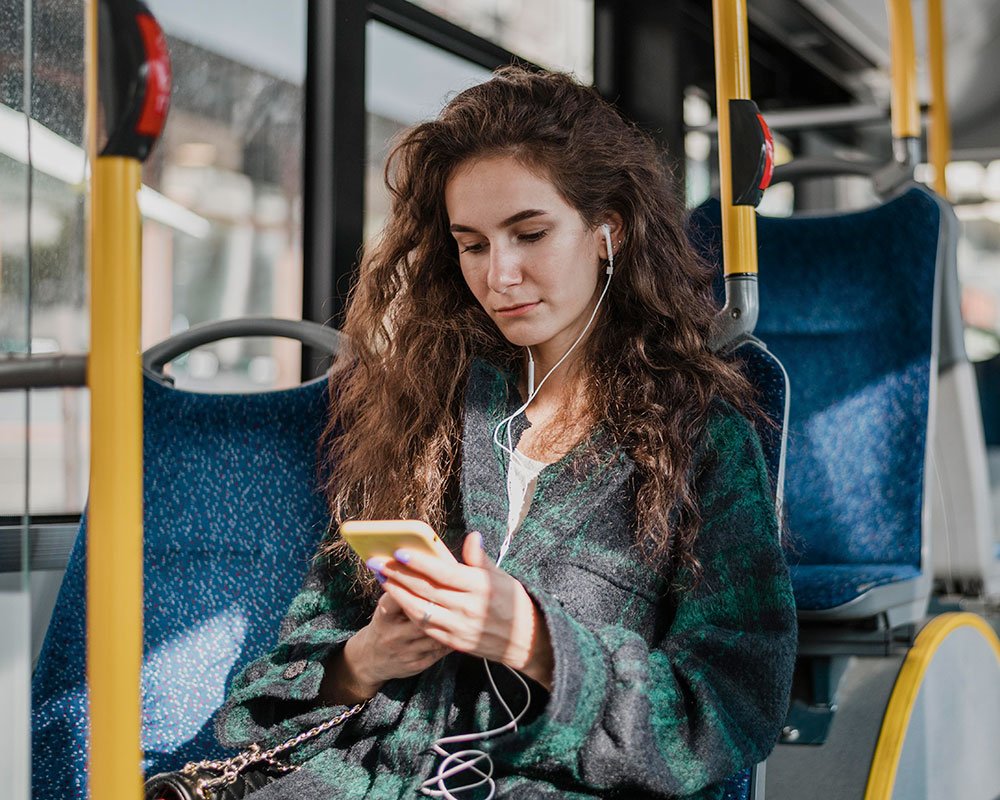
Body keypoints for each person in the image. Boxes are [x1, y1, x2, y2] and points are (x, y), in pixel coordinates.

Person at [215, 66, 797, 799]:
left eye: (529, 233)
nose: (500, 275)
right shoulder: (422, 410)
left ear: (607, 230)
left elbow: (729, 709)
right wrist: (367, 657)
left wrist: (537, 643)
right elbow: (256, 707)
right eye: (473, 244)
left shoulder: (701, 435)